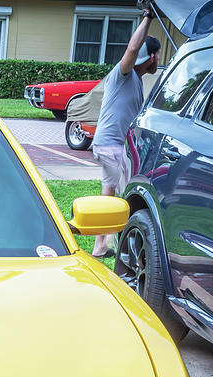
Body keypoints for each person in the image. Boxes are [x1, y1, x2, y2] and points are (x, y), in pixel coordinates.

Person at [90, 10, 160, 258]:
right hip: (111, 145)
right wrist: (148, 17)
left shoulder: (137, 81)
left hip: (111, 144)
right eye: (157, 55)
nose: (158, 60)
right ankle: (115, 245)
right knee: (124, 197)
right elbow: (132, 49)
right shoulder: (124, 74)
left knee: (111, 192)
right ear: (151, 56)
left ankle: (102, 245)